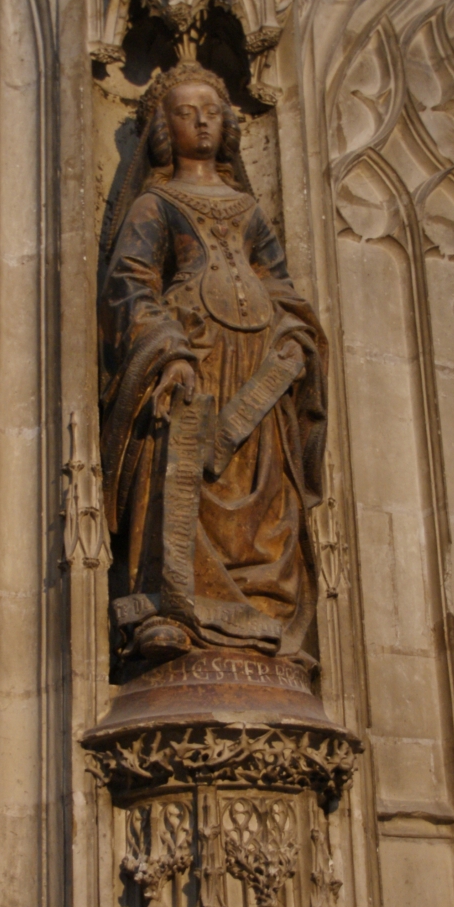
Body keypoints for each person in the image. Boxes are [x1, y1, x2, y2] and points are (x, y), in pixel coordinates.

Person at [98, 62, 328, 666]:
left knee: (266, 498)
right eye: (185, 111)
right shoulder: (155, 201)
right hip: (192, 361)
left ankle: (265, 615)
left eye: (213, 111)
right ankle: (171, 612)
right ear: (161, 128)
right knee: (183, 478)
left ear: (228, 125)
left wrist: (295, 337)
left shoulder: (247, 207)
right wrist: (168, 350)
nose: (201, 120)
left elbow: (280, 287)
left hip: (259, 374)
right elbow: (130, 281)